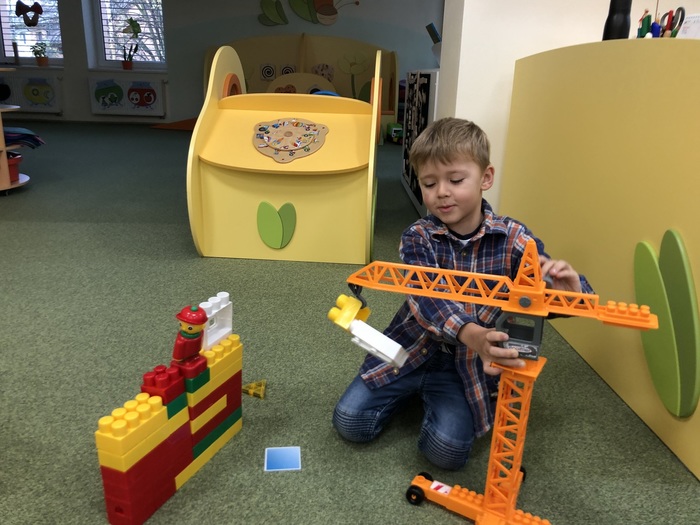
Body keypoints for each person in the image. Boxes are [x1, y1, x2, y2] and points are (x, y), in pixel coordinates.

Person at [332, 117, 594, 470]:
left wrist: (570, 294)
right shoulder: (417, 236)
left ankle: (430, 398)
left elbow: (543, 296)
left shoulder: (514, 238)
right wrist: (473, 334)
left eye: (455, 180)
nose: (441, 192)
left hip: (466, 365)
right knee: (349, 421)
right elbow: (428, 299)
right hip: (410, 348)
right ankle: (412, 392)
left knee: (448, 453)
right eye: (429, 183)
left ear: (486, 177)